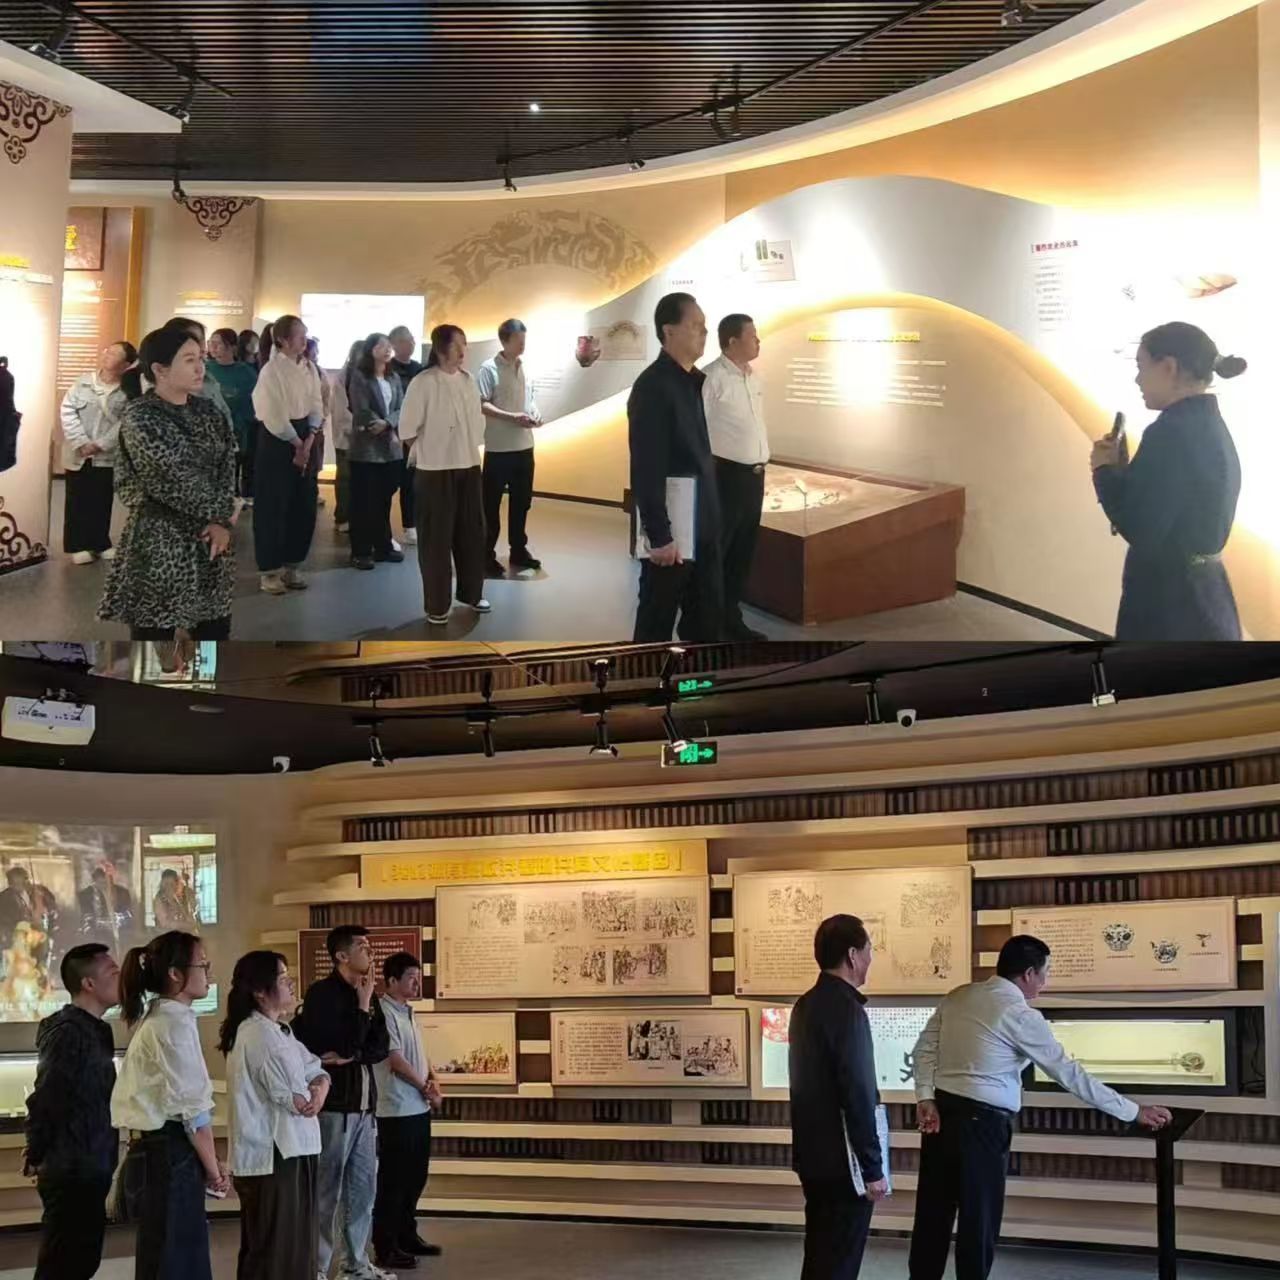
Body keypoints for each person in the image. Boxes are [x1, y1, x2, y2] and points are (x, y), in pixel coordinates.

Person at [908, 935, 1172, 1280]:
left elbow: (924, 1050)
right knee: (979, 1222)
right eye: (1045, 974)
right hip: (983, 1126)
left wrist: (925, 1097)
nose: (1045, 983)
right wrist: (1133, 1111)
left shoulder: (958, 996)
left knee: (932, 1216)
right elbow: (1069, 1074)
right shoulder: (1020, 1015)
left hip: (941, 1115)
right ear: (1029, 973)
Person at [1092, 321, 1246, 640]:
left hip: (1171, 605)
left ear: (1168, 368)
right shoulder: (1208, 425)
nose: (1137, 379)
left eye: (1141, 366)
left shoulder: (1170, 432)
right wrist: (1123, 472)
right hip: (1206, 595)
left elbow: (1142, 528)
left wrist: (1104, 472)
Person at [98, 326, 238, 639]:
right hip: (160, 541)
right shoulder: (142, 417)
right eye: (189, 360)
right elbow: (174, 478)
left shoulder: (208, 411)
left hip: (210, 541)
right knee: (153, 641)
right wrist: (223, 513)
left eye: (200, 358)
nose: (200, 367)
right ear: (160, 370)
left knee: (211, 639)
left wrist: (220, 522)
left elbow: (227, 464)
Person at [111, 930, 228, 1280]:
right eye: (202, 964)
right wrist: (215, 1171)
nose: (208, 971)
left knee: (170, 1252)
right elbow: (193, 1113)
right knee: (175, 1257)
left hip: (165, 1151)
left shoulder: (168, 1018)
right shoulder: (170, 1024)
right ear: (176, 974)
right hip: (170, 1153)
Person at [221, 949, 330, 1280]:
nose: (291, 983)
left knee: (295, 1244)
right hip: (274, 1155)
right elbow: (293, 1097)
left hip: (294, 1149)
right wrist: (313, 1092)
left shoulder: (279, 1029)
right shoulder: (256, 1034)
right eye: (283, 978)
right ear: (259, 990)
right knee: (276, 1250)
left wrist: (320, 1087)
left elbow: (315, 1068)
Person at [789, 914, 887, 1280]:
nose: (871, 957)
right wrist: (873, 1168)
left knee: (819, 1257)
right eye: (869, 949)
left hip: (813, 1158)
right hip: (845, 1165)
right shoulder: (848, 1011)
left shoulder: (805, 1005)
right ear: (852, 955)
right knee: (840, 1263)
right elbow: (857, 1094)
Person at [292, 924, 392, 1280]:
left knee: (362, 1191)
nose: (370, 951)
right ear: (341, 956)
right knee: (327, 1192)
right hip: (335, 1109)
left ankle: (356, 1264)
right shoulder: (322, 994)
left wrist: (354, 1050)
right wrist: (362, 1009)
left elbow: (380, 1047)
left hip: (364, 1108)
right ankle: (317, 1268)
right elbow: (341, 1044)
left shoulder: (368, 991)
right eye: (362, 946)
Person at [628, 292, 723, 643]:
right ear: (669, 331)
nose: (704, 332)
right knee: (656, 623)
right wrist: (660, 535)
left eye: (704, 325)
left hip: (700, 527)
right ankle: (644, 676)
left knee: (704, 622)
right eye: (696, 325)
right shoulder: (653, 386)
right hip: (674, 535)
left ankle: (693, 677)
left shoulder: (691, 382)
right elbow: (646, 465)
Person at [24, 943, 121, 1280]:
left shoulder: (99, 1030)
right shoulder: (67, 1031)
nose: (120, 977)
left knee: (82, 1261)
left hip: (92, 1163)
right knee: (62, 1264)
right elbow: (48, 1095)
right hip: (71, 1168)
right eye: (112, 972)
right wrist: (36, 1149)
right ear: (88, 984)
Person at [398, 324, 490, 626]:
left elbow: (476, 423)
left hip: (469, 465)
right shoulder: (423, 382)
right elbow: (407, 430)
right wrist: (431, 451)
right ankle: (437, 605)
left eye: (465, 344)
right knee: (435, 540)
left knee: (472, 533)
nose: (463, 351)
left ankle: (472, 593)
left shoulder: (468, 380)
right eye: (457, 345)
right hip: (434, 471)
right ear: (441, 349)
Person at [372, 951, 443, 1271]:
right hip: (396, 1109)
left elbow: (419, 1056)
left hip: (417, 1107)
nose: (417, 983)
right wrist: (425, 1086)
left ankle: (407, 1235)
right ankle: (386, 1246)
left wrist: (433, 1080)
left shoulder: (408, 1012)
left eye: (418, 976)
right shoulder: (383, 1012)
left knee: (415, 1177)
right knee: (394, 1181)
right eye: (411, 978)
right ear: (391, 981)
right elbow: (396, 1060)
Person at [704, 314, 768, 640]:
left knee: (742, 554)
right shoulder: (711, 378)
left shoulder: (753, 378)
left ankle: (732, 617)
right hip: (725, 477)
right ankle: (709, 622)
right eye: (752, 335)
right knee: (719, 552)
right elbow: (696, 430)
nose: (758, 340)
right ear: (732, 341)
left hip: (753, 478)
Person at [251, 314, 323, 596]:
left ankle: (293, 564)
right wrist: (296, 443)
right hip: (278, 438)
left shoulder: (309, 367)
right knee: (273, 504)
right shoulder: (271, 371)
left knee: (303, 503)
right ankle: (270, 570)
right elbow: (273, 414)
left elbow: (316, 403)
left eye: (305, 334)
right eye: (299, 335)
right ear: (282, 340)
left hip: (305, 434)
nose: (304, 340)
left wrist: (311, 435)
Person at [59, 339, 136, 565]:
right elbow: (67, 410)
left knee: (102, 499)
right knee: (77, 498)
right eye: (107, 351)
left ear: (126, 364)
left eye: (114, 354)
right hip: (78, 453)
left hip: (106, 455)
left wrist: (101, 444)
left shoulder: (128, 390)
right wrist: (81, 441)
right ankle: (77, 545)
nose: (107, 355)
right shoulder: (83, 382)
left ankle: (100, 542)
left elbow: (125, 421)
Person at [478, 318, 543, 577]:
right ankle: (485, 554)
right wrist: (512, 417)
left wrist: (534, 414)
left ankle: (518, 549)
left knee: (522, 502)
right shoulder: (488, 369)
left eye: (524, 339)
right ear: (505, 340)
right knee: (490, 505)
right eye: (519, 340)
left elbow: (530, 399)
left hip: (524, 446)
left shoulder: (525, 367)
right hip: (498, 449)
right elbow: (482, 404)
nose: (523, 344)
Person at [345, 333, 406, 571]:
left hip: (390, 447)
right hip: (366, 448)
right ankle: (361, 550)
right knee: (363, 501)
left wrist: (388, 423)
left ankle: (383, 546)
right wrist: (378, 424)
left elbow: (401, 407)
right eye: (382, 346)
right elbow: (361, 408)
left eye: (389, 346)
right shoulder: (360, 376)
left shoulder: (394, 377)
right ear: (371, 350)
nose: (387, 349)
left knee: (383, 500)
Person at [205, 326, 259, 509]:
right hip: (210, 430)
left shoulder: (246, 372)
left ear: (232, 347)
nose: (213, 347)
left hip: (239, 428)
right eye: (211, 343)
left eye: (218, 344)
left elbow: (254, 402)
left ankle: (238, 498)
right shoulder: (205, 369)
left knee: (236, 466)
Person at [163, 317, 235, 433]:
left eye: (202, 340)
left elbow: (223, 412)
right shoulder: (165, 381)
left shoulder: (207, 375)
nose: (202, 346)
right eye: (194, 339)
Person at [388, 325, 424, 546]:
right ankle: (383, 533)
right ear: (394, 344)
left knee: (411, 483)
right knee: (389, 483)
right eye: (405, 340)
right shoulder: (388, 369)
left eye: (412, 339)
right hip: (391, 434)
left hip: (415, 434)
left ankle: (410, 525)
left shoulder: (419, 369)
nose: (411, 343)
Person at [330, 338, 365, 536]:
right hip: (348, 435)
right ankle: (342, 517)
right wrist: (356, 427)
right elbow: (341, 409)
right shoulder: (344, 377)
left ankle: (357, 515)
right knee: (345, 477)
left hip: (365, 436)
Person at [78, 861, 135, 947]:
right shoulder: (85, 895)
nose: (104, 886)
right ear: (94, 881)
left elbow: (129, 915)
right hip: (94, 939)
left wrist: (116, 920)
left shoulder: (123, 893)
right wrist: (103, 923)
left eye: (106, 882)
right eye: (100, 883)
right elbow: (86, 918)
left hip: (119, 939)